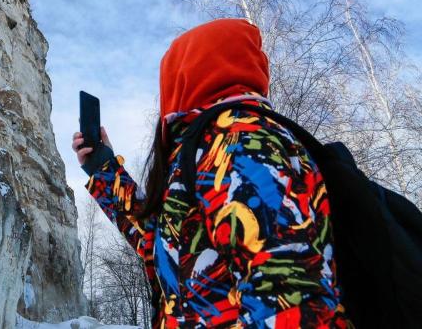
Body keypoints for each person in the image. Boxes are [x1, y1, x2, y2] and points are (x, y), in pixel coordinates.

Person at [72, 18, 350, 328]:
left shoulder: (239, 140)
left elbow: (287, 294)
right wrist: (104, 169)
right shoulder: (206, 146)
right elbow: (170, 245)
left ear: (186, 75)